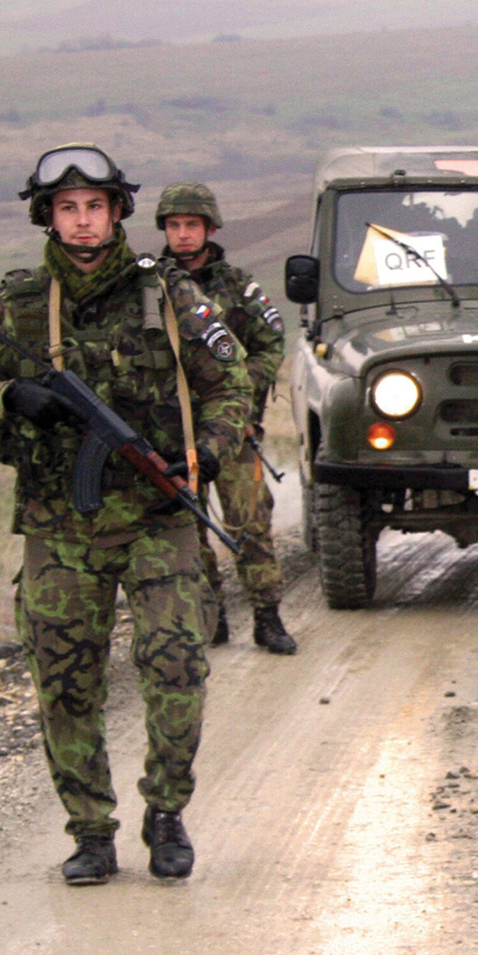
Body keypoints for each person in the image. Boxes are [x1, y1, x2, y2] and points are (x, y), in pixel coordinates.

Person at [0, 145, 252, 885]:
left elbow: (232, 382)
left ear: (117, 212)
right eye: (67, 209)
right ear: (47, 216)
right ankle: (90, 831)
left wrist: (203, 453)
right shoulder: (18, 303)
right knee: (65, 681)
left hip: (157, 517)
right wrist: (9, 399)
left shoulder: (170, 297)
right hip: (59, 526)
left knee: (177, 664)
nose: (82, 223)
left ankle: (167, 811)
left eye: (95, 207)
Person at [154, 181, 296, 655]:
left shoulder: (237, 284)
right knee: (187, 531)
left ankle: (267, 616)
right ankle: (210, 616)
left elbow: (271, 344)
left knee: (250, 523)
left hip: (233, 430)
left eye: (191, 225)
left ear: (209, 228)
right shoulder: (148, 285)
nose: (183, 235)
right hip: (172, 432)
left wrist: (235, 386)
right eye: (174, 226)